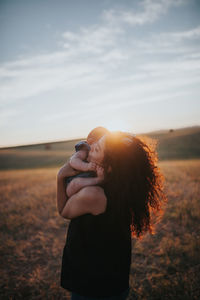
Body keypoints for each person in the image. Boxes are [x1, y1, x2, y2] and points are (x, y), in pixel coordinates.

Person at [57, 130, 166, 300]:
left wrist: (60, 176)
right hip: (116, 278)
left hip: (92, 285)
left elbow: (64, 210)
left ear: (109, 166)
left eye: (97, 149)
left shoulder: (93, 194)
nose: (90, 148)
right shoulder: (122, 187)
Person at [66, 127, 109, 198]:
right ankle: (98, 180)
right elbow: (73, 161)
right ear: (90, 142)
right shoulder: (84, 149)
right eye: (98, 143)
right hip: (74, 183)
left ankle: (98, 180)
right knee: (76, 183)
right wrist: (86, 166)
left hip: (87, 184)